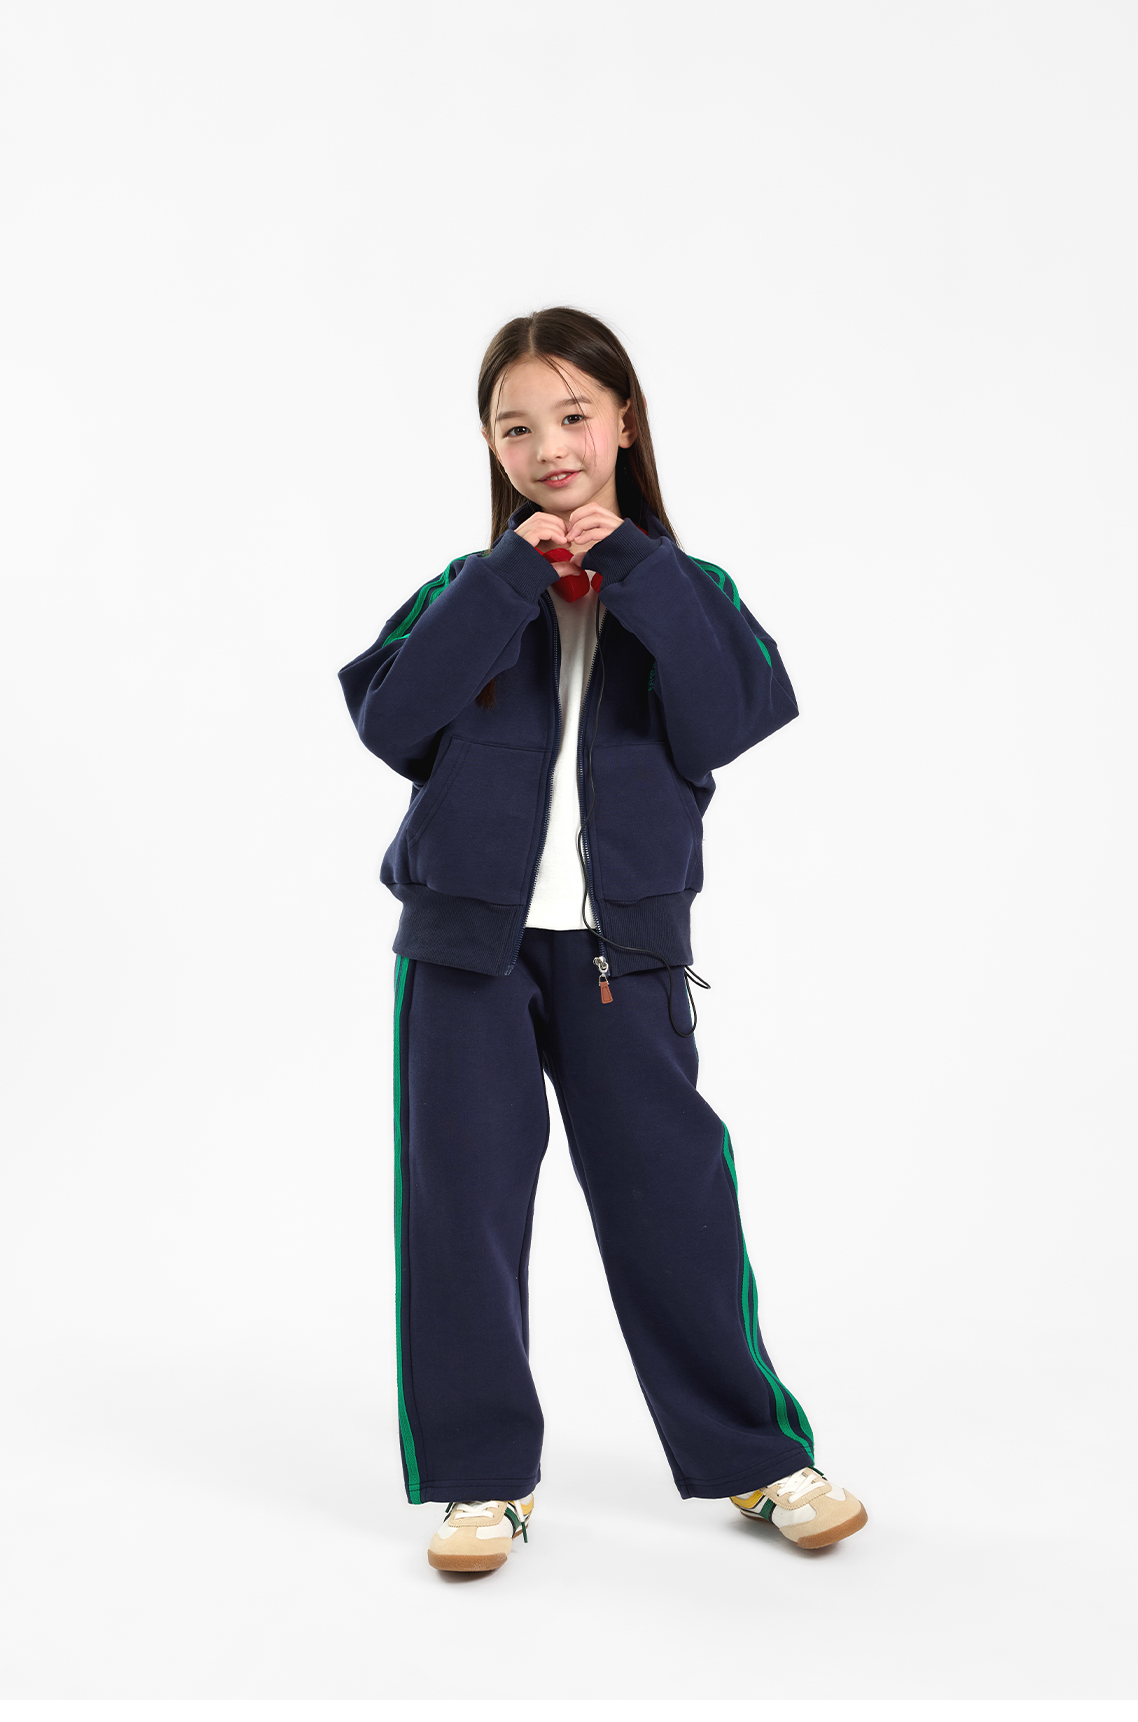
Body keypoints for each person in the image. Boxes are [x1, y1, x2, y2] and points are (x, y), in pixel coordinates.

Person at [337, 306, 867, 1573]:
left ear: (624, 421)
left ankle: (757, 1457)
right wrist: (508, 579)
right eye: (516, 427)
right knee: (461, 1207)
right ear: (491, 447)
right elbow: (391, 721)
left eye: (574, 415)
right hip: (463, 953)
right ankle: (480, 1482)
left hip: (623, 956)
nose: (549, 447)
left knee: (671, 1199)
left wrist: (631, 567)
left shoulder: (689, 590)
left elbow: (729, 716)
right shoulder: (465, 591)